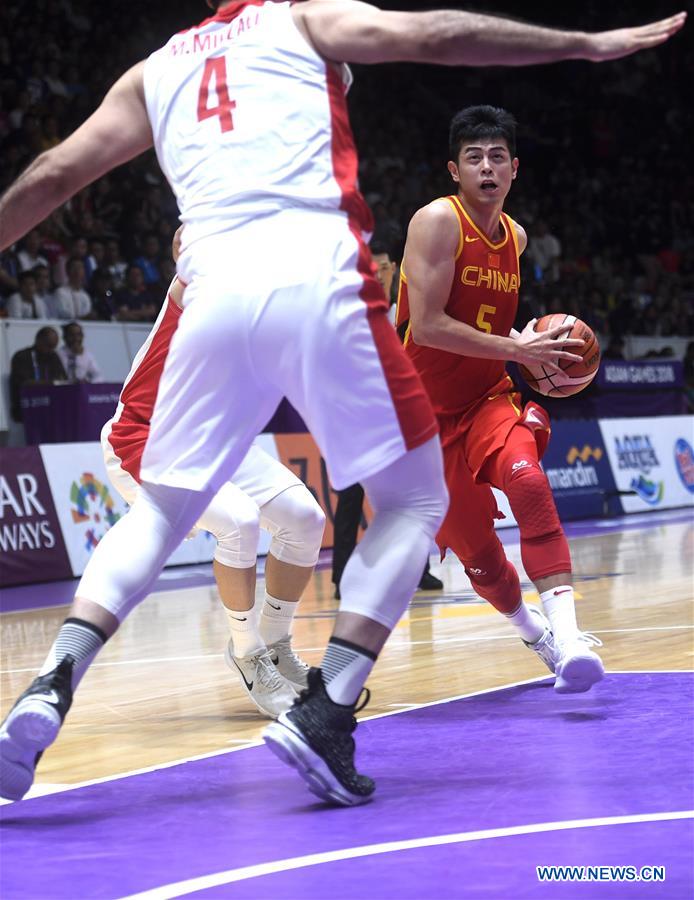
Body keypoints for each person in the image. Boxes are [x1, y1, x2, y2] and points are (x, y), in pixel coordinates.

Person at [0, 0, 685, 808]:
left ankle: (51, 682)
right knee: (416, 498)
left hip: (213, 294)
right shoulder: (300, 22)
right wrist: (582, 41)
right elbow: (435, 36)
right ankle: (325, 712)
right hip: (318, 278)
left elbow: (49, 176)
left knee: (159, 512)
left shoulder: (156, 70)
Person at [397, 105, 604, 693]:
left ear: (514, 169)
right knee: (480, 556)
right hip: (422, 417)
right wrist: (517, 350)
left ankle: (569, 635)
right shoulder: (437, 221)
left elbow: (486, 324)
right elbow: (431, 325)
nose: (485, 167)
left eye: (496, 157)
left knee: (531, 482)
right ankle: (535, 634)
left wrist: (526, 346)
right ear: (454, 170)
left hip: (487, 395)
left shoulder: (516, 236)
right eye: (473, 158)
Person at [102, 229, 325, 716]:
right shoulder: (195, 285)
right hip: (144, 441)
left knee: (306, 519)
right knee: (239, 521)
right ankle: (246, 654)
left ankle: (274, 643)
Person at [332, 238, 443, 598]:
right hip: (360, 416)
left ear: (393, 268)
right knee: (350, 498)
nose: (376, 274)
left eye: (382, 267)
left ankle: (418, 570)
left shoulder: (408, 312)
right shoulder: (353, 311)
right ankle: (341, 575)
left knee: (413, 496)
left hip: (403, 418)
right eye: (369, 268)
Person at [9, 326, 66, 422]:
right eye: (49, 345)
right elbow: (24, 383)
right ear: (38, 340)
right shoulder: (22, 356)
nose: (51, 349)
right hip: (28, 407)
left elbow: (62, 378)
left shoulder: (53, 356)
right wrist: (51, 383)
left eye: (54, 346)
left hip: (51, 407)